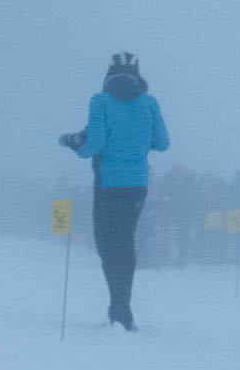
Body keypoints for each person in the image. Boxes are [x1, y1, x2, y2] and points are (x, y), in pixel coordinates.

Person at [59, 52, 169, 330]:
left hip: (108, 182)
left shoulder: (101, 101)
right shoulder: (150, 103)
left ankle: (118, 307)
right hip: (137, 185)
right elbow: (163, 142)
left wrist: (75, 145)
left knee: (107, 244)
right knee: (126, 241)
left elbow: (93, 144)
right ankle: (123, 307)